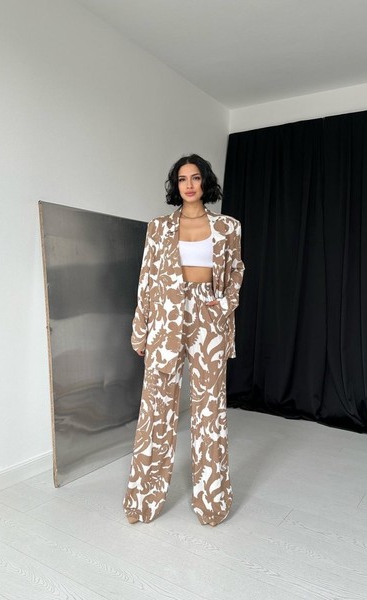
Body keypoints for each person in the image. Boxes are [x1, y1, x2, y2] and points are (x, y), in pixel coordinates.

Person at [123, 154, 245, 526]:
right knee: (156, 410)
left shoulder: (228, 226)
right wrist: (141, 328)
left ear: (206, 182)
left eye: (195, 177)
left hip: (209, 318)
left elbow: (236, 271)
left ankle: (212, 503)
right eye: (182, 179)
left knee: (209, 413)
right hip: (165, 318)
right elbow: (147, 279)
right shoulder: (158, 227)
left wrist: (224, 303)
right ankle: (143, 500)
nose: (189, 185)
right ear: (175, 186)